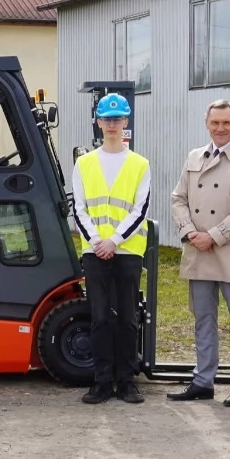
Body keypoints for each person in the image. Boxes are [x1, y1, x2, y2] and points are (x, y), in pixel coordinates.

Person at [169, 99, 230, 407]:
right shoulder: (195, 156)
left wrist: (214, 235)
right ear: (207, 124)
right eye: (215, 123)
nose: (220, 128)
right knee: (203, 318)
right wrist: (190, 232)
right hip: (199, 249)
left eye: (226, 122)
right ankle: (202, 380)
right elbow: (178, 198)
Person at [71, 94, 151, 404]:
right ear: (99, 122)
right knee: (100, 317)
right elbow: (79, 208)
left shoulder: (139, 164)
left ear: (126, 122)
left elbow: (140, 208)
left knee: (128, 318)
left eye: (118, 119)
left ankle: (127, 381)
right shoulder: (85, 163)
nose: (113, 124)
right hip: (95, 251)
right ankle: (101, 381)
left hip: (127, 251)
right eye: (107, 119)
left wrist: (114, 241)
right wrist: (96, 241)